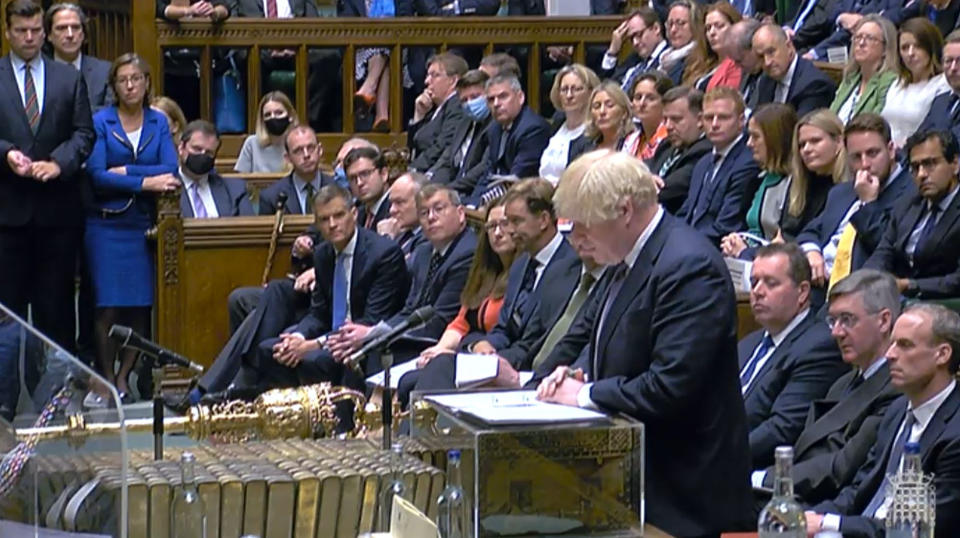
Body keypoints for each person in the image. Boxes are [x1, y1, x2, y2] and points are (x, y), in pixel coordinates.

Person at [536, 150, 752, 536]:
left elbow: (671, 386)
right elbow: (602, 337)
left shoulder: (689, 266)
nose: (576, 236)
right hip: (632, 483)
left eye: (585, 223)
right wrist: (574, 371)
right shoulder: (624, 258)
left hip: (684, 498)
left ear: (624, 211)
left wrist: (584, 393)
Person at [806, 303, 960, 537]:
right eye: (892, 343)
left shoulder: (956, 433)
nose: (890, 355)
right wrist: (809, 517)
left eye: (905, 345)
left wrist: (830, 523)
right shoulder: (897, 410)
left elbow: (919, 528)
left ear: (942, 354)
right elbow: (860, 488)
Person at [752, 269, 900, 505]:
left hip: (827, 509)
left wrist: (764, 478)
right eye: (833, 320)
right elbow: (807, 449)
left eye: (848, 320)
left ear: (883, 320)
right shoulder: (843, 383)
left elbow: (841, 467)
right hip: (795, 492)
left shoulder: (895, 389)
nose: (836, 332)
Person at [245, 184, 411, 391]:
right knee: (272, 350)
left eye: (339, 215)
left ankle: (330, 419)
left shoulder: (383, 253)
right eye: (324, 219)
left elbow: (371, 320)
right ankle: (295, 417)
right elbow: (318, 314)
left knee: (316, 360)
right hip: (332, 334)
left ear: (353, 214)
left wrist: (313, 345)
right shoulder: (323, 254)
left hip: (365, 339)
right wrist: (298, 338)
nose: (332, 224)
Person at [0, 0, 94, 359]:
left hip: (57, 214)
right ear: (8, 32)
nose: (30, 38)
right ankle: (5, 401)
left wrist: (58, 163)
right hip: (8, 216)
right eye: (22, 31)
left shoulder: (68, 78)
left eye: (36, 31)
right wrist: (6, 152)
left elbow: (84, 134)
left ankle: (54, 399)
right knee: (6, 316)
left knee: (54, 313)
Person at [84, 53, 178, 399]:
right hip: (106, 226)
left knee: (140, 305)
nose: (130, 85)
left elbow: (172, 168)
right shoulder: (101, 121)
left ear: (146, 82)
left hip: (142, 225)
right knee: (108, 305)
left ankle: (125, 376)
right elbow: (97, 175)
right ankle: (107, 376)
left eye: (136, 78)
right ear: (114, 86)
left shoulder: (158, 122)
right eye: (123, 80)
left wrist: (129, 173)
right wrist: (145, 184)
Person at [738, 243, 846, 468]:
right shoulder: (749, 343)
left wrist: (716, 456)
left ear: (803, 292)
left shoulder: (819, 346)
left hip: (753, 471)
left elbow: (783, 428)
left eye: (771, 283)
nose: (757, 291)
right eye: (755, 281)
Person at [798, 113, 914, 293]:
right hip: (817, 282)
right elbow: (811, 231)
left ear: (891, 150)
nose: (865, 164)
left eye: (872, 153)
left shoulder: (911, 192)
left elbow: (889, 249)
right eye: (856, 157)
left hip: (859, 290)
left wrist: (868, 203)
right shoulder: (842, 192)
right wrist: (812, 252)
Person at [414, 197, 516, 362]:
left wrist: (470, 345)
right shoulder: (484, 273)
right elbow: (461, 323)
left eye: (504, 224)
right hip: (471, 352)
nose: (497, 233)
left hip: (496, 356)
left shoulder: (523, 276)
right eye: (491, 226)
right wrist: (440, 349)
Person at [865, 128, 960, 298]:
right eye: (915, 167)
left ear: (955, 164)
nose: (922, 174)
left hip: (942, 305)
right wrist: (872, 278)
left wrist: (909, 285)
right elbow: (883, 252)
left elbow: (957, 280)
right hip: (896, 297)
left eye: (930, 164)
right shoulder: (909, 203)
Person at [677, 86, 760, 245]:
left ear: (741, 121)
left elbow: (726, 226)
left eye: (723, 117)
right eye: (709, 118)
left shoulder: (747, 163)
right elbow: (686, 213)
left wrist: (681, 244)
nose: (714, 124)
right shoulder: (703, 163)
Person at [721, 103, 798, 259]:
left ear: (775, 139)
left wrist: (745, 252)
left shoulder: (796, 184)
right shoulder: (758, 179)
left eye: (755, 137)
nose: (749, 143)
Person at [472, 74, 551, 201]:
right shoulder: (494, 128)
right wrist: (473, 203)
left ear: (520, 97)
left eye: (503, 96)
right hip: (497, 199)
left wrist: (483, 204)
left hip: (525, 199)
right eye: (491, 99)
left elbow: (515, 181)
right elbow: (488, 174)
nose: (496, 104)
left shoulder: (533, 129)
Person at [880, 18, 951, 147]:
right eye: (905, 48)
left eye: (917, 46)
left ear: (931, 48)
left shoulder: (943, 84)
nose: (910, 53)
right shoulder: (897, 84)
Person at [345, 0, 408, 132]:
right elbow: (346, 26)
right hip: (360, 48)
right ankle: (382, 115)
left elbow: (406, 18)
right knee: (384, 53)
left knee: (385, 47)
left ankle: (369, 87)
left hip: (397, 44)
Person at [648, 86, 711, 214]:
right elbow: (643, 165)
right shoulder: (667, 145)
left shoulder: (704, 151)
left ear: (700, 120)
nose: (668, 126)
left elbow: (666, 189)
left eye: (676, 119)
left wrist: (641, 181)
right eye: (665, 119)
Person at [752, 23, 837, 117]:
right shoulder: (766, 80)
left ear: (789, 46)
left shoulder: (815, 85)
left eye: (771, 52)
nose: (767, 62)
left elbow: (799, 129)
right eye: (761, 56)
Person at [176, 120, 254, 218]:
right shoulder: (166, 190)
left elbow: (248, 228)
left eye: (209, 153)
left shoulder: (235, 190)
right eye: (197, 149)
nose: (202, 155)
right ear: (181, 148)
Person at [830, 15, 899, 124]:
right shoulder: (851, 78)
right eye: (858, 37)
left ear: (886, 49)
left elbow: (875, 122)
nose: (861, 43)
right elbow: (831, 116)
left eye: (870, 38)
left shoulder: (889, 81)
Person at [538, 64, 600, 184]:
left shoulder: (594, 131)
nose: (569, 96)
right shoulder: (557, 124)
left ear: (591, 92)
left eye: (576, 89)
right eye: (564, 90)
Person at [44, 3, 112, 111]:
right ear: (49, 35)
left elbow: (110, 115)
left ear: (83, 34)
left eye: (75, 27)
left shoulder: (105, 71)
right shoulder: (39, 71)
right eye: (61, 28)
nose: (70, 35)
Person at [409, 53, 468, 173]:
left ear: (453, 81)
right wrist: (419, 115)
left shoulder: (457, 105)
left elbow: (443, 144)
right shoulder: (436, 109)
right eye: (427, 75)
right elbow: (414, 145)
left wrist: (413, 169)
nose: (426, 81)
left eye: (434, 76)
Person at [258, 125, 334, 214]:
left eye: (310, 148)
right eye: (298, 151)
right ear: (288, 158)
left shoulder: (338, 188)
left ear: (320, 150)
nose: (306, 155)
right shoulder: (271, 196)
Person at [599, 8, 669, 91]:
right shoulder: (633, 60)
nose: (635, 42)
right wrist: (612, 52)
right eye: (631, 38)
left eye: (639, 34)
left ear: (656, 28)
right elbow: (607, 86)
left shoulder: (668, 57)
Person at [568, 81, 635, 161]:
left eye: (609, 105)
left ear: (624, 112)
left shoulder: (634, 143)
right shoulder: (581, 146)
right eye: (596, 106)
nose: (602, 111)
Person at [683, 1, 741, 90]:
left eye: (719, 26)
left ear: (735, 27)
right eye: (708, 28)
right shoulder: (699, 63)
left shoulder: (738, 64)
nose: (712, 32)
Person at [235, 91, 298, 173]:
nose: (273, 117)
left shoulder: (299, 143)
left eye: (279, 113)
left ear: (290, 116)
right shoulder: (252, 143)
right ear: (262, 120)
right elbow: (240, 180)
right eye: (268, 115)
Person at [377, 171, 427, 266]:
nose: (392, 210)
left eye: (399, 203)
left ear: (422, 201)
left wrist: (386, 239)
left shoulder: (429, 238)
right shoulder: (398, 232)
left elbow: (393, 274)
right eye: (391, 203)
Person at [918, 29, 960, 139]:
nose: (953, 68)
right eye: (948, 61)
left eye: (959, 61)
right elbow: (919, 138)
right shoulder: (940, 101)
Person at [623, 70, 672, 160]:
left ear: (665, 102)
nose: (642, 103)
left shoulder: (670, 138)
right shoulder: (630, 140)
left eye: (650, 98)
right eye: (638, 97)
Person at [344, 146, 391, 229]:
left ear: (384, 174)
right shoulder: (358, 214)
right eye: (352, 178)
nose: (359, 183)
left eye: (365, 174)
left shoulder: (395, 210)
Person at [726, 18, 762, 112]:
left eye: (739, 60)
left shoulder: (771, 75)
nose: (737, 66)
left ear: (755, 48)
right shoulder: (746, 71)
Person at [659, 0, 696, 84]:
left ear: (694, 25)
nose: (673, 30)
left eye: (680, 23)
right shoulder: (663, 60)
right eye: (670, 24)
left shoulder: (698, 60)